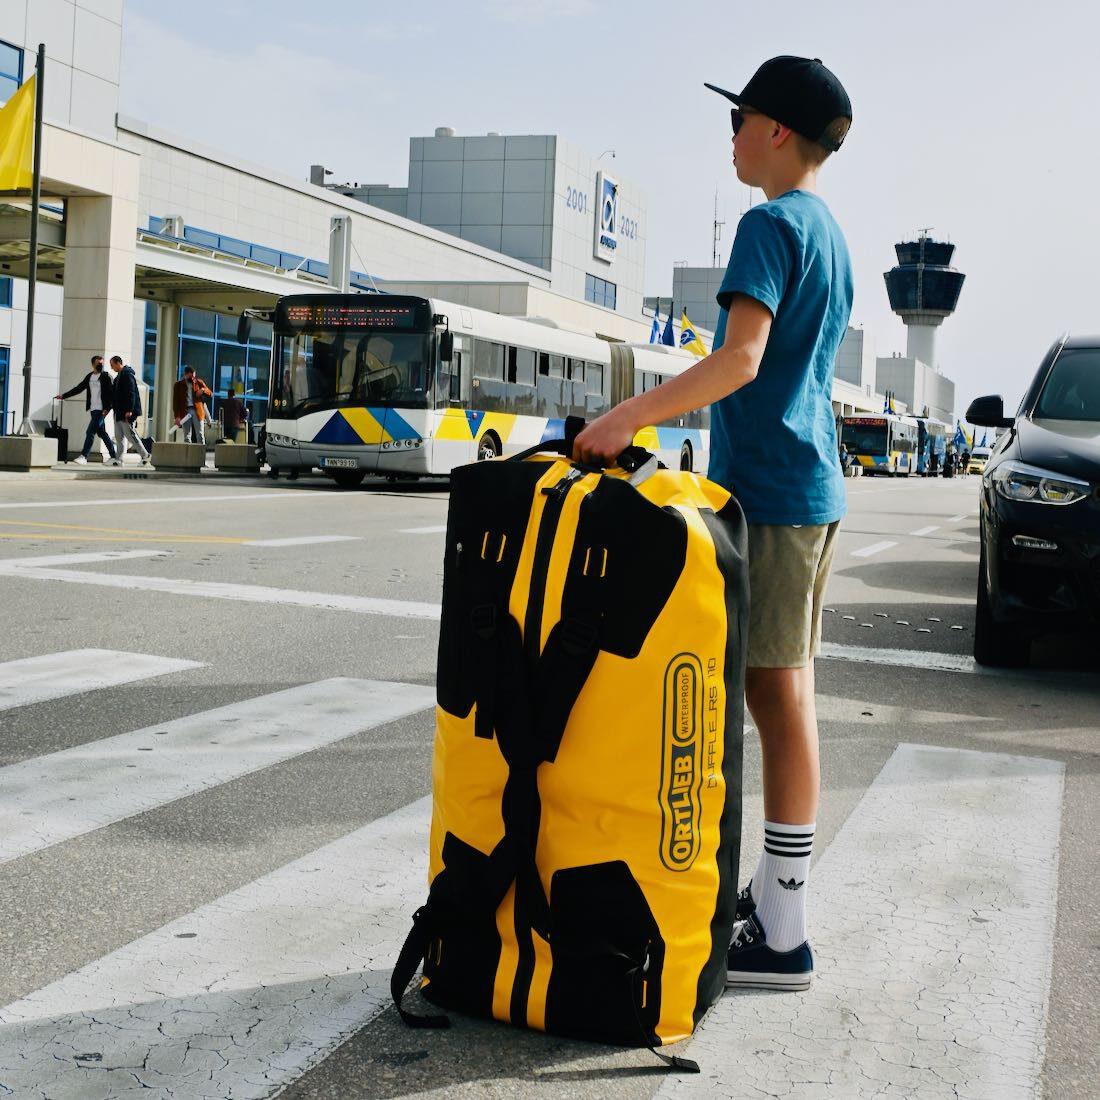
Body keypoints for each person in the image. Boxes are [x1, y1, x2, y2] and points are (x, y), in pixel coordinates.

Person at [573, 56, 853, 992]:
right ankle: (776, 898)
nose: (728, 133)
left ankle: (783, 932)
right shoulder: (830, 232)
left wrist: (625, 418)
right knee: (788, 700)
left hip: (771, 495)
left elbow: (741, 359)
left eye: (738, 117)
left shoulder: (770, 224)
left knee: (777, 706)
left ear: (777, 130)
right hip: (808, 491)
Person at [56, 355, 117, 465]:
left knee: (90, 432)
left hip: (101, 410)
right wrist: (64, 396)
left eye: (102, 364)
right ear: (93, 364)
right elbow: (79, 388)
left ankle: (84, 456)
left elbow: (112, 394)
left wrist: (107, 408)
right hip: (93, 410)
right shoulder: (90, 376)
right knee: (102, 433)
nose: (101, 365)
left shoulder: (106, 376)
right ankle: (114, 456)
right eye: (99, 363)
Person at [107, 355, 151, 466]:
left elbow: (131, 393)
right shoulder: (119, 377)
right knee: (119, 436)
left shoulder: (127, 375)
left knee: (130, 435)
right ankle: (119, 459)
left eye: (112, 365)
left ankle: (145, 455)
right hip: (118, 412)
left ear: (118, 363)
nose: (112, 368)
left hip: (126, 412)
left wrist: (130, 410)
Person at [173, 366, 212, 445]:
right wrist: (177, 416)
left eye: (194, 376)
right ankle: (188, 455)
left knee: (200, 434)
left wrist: (203, 390)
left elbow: (210, 393)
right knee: (187, 436)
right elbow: (175, 402)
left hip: (197, 411)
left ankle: (201, 454)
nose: (193, 378)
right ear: (186, 374)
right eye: (191, 376)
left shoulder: (198, 382)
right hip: (185, 411)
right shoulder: (178, 385)